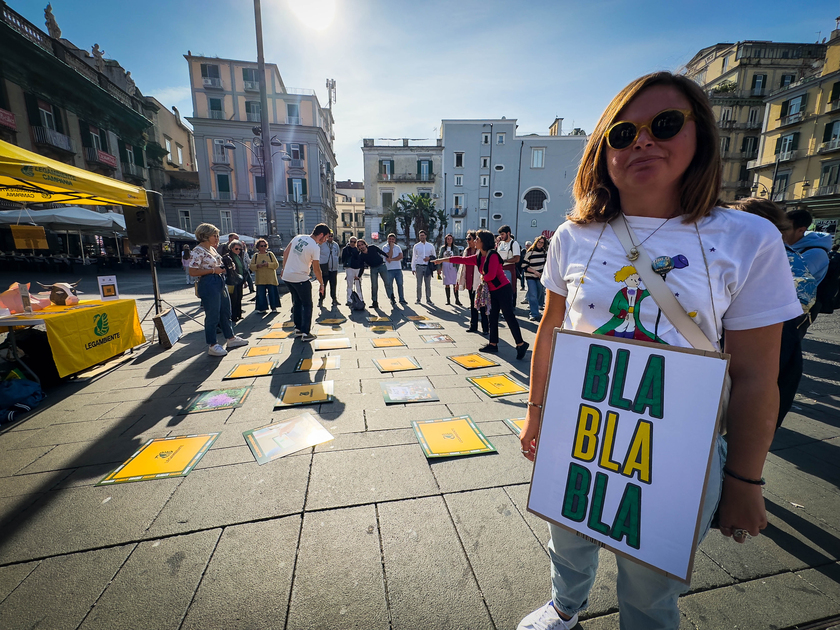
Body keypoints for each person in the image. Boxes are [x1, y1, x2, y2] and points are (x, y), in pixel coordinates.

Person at [517, 72, 801, 630]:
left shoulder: (747, 239)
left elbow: (755, 376)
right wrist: (535, 413)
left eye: (665, 125)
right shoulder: (573, 234)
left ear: (701, 137)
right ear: (603, 151)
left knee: (650, 582)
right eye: (622, 134)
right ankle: (564, 607)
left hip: (676, 448)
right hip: (580, 432)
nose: (642, 141)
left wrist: (745, 480)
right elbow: (551, 330)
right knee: (568, 533)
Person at [436, 230, 529, 360]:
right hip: (493, 290)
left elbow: (491, 275)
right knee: (492, 316)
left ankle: (521, 344)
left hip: (503, 289)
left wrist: (481, 277)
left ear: (483, 241)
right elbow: (462, 260)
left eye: (477, 239)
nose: (474, 241)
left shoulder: (493, 255)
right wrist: (442, 260)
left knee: (509, 316)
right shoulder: (479, 256)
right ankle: (493, 343)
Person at [188, 223, 249, 357]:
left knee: (225, 310)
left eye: (217, 235)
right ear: (205, 235)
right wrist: (213, 270)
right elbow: (192, 271)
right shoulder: (198, 251)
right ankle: (212, 344)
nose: (217, 238)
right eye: (214, 235)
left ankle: (230, 338)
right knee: (213, 314)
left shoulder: (212, 249)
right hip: (208, 282)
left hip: (219, 280)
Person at [784, 208, 832, 334]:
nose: (781, 232)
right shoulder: (791, 247)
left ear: (801, 230)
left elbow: (789, 280)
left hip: (797, 311)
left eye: (785, 229)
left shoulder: (816, 253)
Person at [281, 224, 329, 342]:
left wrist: (284, 268)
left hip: (288, 277)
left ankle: (298, 328)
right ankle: (306, 333)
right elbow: (317, 269)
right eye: (326, 237)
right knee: (307, 305)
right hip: (300, 278)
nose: (326, 240)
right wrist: (322, 284)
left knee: (297, 302)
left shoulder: (298, 237)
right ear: (321, 235)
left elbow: (285, 253)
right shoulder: (315, 247)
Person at [457, 230, 488, 335]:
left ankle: (485, 328)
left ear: (475, 240)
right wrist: (460, 281)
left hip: (479, 282)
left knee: (482, 305)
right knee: (472, 304)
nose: (467, 241)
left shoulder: (481, 252)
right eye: (467, 239)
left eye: (469, 238)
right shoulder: (467, 251)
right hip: (469, 281)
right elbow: (462, 265)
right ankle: (473, 325)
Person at [356, 239, 392, 309]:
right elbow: (362, 267)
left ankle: (391, 297)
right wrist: (359, 276)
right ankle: (374, 302)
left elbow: (381, 252)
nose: (361, 247)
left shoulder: (372, 247)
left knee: (387, 282)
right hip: (373, 268)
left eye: (362, 245)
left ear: (365, 244)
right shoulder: (361, 256)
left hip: (381, 266)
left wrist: (388, 257)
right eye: (359, 246)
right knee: (374, 286)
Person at [250, 238, 281, 313]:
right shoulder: (256, 256)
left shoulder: (270, 254)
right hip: (260, 279)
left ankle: (274, 307)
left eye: (264, 245)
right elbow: (251, 266)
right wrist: (257, 266)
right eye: (261, 246)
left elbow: (276, 265)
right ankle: (262, 308)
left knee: (272, 294)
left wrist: (268, 264)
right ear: (258, 247)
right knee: (261, 295)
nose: (263, 247)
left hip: (271, 278)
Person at [523, 235, 547, 321]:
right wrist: (535, 272)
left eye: (542, 243)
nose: (540, 244)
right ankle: (533, 314)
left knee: (540, 294)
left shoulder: (544, 253)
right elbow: (524, 266)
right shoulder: (530, 253)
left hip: (540, 277)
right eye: (539, 242)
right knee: (533, 295)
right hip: (530, 277)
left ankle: (537, 310)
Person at [222, 239, 247, 322]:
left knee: (239, 297)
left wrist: (244, 280)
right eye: (236, 249)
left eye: (240, 249)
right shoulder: (228, 257)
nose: (238, 250)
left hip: (239, 279)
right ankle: (233, 316)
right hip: (232, 281)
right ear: (231, 248)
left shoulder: (239, 256)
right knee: (234, 298)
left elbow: (242, 268)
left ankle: (238, 314)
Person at [497, 225, 521, 307]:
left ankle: (510, 307)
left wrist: (505, 261)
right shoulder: (500, 243)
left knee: (509, 290)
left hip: (509, 269)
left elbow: (517, 258)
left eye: (503, 234)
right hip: (500, 269)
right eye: (500, 235)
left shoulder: (514, 243)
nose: (501, 236)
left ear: (508, 233)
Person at [438, 233, 463, 307]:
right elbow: (440, 257)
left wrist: (458, 269)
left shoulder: (455, 248)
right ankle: (448, 300)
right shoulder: (443, 248)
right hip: (445, 266)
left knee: (455, 283)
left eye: (450, 238)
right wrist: (439, 268)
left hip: (453, 266)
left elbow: (458, 258)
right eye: (448, 239)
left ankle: (457, 299)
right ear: (446, 240)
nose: (449, 240)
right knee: (447, 284)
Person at [382, 233, 407, 304]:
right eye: (389, 239)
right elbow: (388, 256)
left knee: (400, 284)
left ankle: (402, 299)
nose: (391, 240)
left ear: (395, 240)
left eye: (392, 239)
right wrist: (391, 248)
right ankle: (392, 299)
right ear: (387, 239)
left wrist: (392, 259)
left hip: (398, 268)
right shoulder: (385, 247)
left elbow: (401, 256)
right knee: (389, 285)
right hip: (389, 269)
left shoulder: (398, 247)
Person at [412, 230, 436, 304]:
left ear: (425, 236)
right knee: (419, 284)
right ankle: (418, 299)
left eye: (423, 235)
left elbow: (434, 256)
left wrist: (429, 258)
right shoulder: (416, 246)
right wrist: (413, 268)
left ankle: (428, 299)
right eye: (420, 235)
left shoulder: (430, 246)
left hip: (427, 267)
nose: (422, 237)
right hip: (419, 266)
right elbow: (414, 257)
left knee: (428, 284)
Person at [318, 232, 340, 308]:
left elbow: (337, 254)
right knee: (323, 285)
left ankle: (334, 299)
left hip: (333, 269)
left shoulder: (335, 245)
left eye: (331, 236)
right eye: (329, 236)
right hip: (325, 268)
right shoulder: (322, 244)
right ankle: (320, 300)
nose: (330, 238)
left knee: (333, 285)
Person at [341, 236, 365, 305]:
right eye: (351, 241)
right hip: (349, 268)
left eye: (354, 242)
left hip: (358, 268)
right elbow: (343, 259)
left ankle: (360, 299)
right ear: (349, 242)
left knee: (358, 284)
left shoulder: (359, 249)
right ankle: (349, 300)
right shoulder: (346, 249)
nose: (352, 243)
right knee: (349, 285)